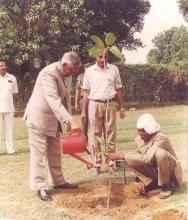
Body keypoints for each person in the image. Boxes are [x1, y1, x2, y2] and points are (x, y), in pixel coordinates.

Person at [24, 51, 81, 201]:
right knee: (39, 153)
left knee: (55, 151)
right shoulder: (48, 73)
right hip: (39, 117)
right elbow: (53, 100)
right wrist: (70, 120)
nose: (72, 74)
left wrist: (68, 119)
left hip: (54, 119)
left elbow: (65, 99)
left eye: (74, 71)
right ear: (63, 64)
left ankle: (58, 181)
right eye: (71, 70)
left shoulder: (67, 74)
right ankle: (40, 186)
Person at [107, 113, 183, 199]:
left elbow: (147, 159)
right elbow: (136, 159)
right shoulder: (138, 139)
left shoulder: (161, 138)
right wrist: (115, 164)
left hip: (171, 174)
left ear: (150, 130)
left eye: (143, 131)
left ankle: (166, 186)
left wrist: (122, 156)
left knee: (160, 154)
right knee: (132, 157)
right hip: (155, 171)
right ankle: (149, 182)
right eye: (139, 130)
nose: (140, 133)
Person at [81, 49, 126, 176]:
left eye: (106, 57)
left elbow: (118, 89)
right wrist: (84, 111)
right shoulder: (89, 71)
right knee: (94, 135)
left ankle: (111, 164)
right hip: (94, 104)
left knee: (110, 134)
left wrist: (122, 107)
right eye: (100, 57)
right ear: (95, 56)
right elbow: (86, 92)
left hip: (110, 103)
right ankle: (96, 164)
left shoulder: (114, 69)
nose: (103, 60)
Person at [0, 59, 18, 155]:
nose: (3, 67)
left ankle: (10, 150)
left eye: (4, 65)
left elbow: (14, 93)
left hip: (9, 108)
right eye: (1, 66)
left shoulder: (12, 78)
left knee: (9, 130)